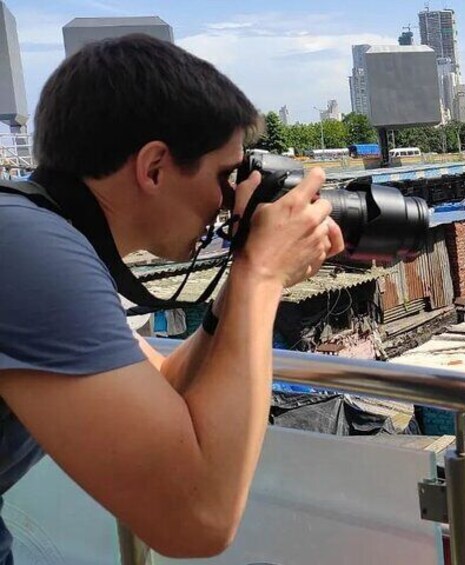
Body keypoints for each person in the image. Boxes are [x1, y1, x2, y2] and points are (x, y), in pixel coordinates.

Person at [0, 34, 343, 560]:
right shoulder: (29, 251)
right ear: (154, 167)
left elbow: (163, 388)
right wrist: (262, 276)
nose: (230, 203)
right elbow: (198, 521)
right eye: (225, 176)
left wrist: (237, 291)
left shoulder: (39, 232)